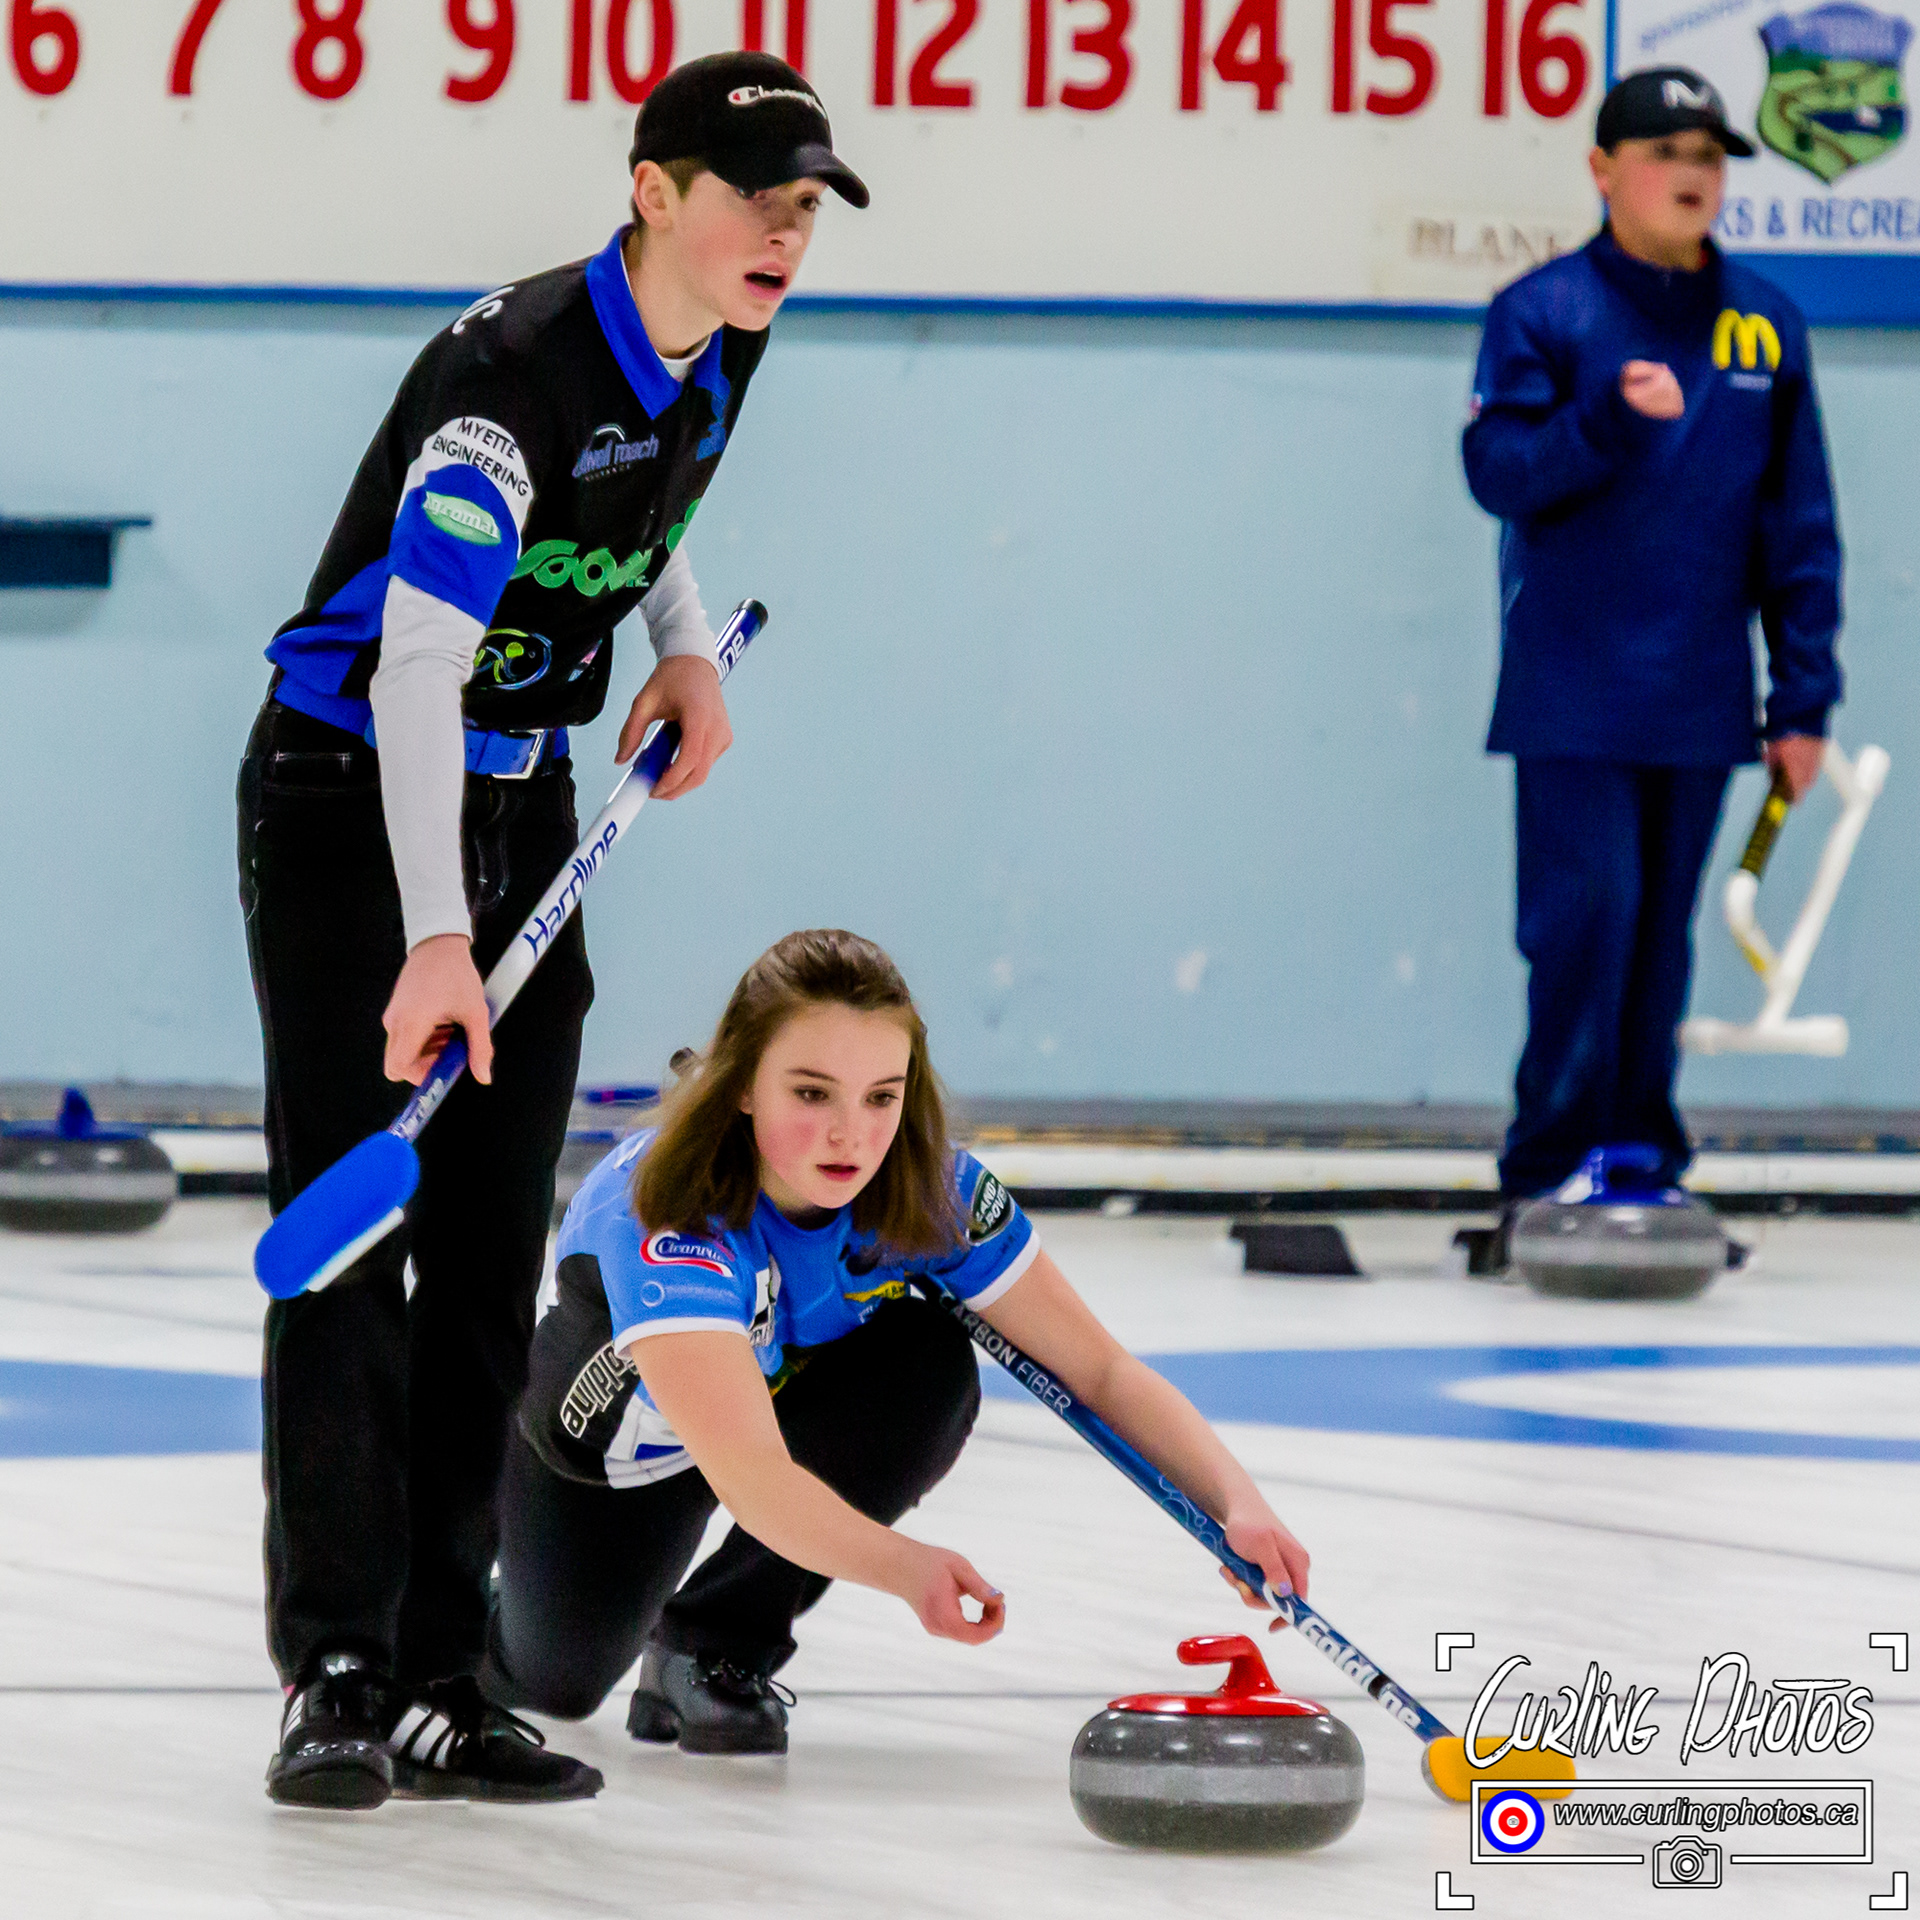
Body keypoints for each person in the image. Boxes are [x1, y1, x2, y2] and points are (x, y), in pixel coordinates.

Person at [236, 52, 869, 1809]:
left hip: (524, 801)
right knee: (357, 1253)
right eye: (756, 199)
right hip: (359, 796)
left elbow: (644, 504)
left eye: (806, 208)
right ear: (652, 190)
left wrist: (671, 641)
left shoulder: (723, 345)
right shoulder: (502, 376)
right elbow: (420, 662)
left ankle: (455, 1668)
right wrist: (438, 939)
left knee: (492, 1254)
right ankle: (341, 1670)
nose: (784, 236)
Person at [480, 929, 1312, 1755]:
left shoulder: (931, 1188)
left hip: (765, 1410)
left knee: (928, 1361)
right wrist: (908, 1570)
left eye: (881, 1096)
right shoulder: (673, 1216)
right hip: (624, 1455)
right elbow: (755, 1479)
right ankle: (443, 1589)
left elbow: (1098, 1369)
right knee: (556, 1684)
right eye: (812, 1094)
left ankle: (713, 1647)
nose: (852, 1135)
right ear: (741, 1085)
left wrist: (1238, 1505)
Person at [1461, 66, 1842, 1238]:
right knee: (1587, 923)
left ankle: (1640, 1154)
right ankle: (1549, 1165)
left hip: (1701, 695)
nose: (1693, 174)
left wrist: (1805, 697)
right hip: (1573, 691)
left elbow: (1800, 522)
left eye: (1711, 155)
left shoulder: (1762, 322)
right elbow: (1500, 475)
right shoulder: (1545, 312)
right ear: (1602, 168)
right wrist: (1607, 420)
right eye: (1667, 150)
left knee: (1662, 937)